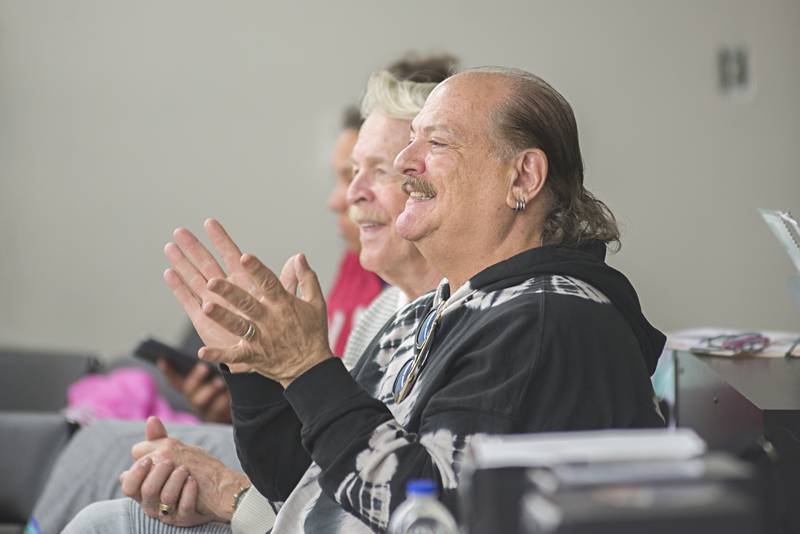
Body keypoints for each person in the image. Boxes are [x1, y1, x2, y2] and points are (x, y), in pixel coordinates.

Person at [67, 66, 663, 533]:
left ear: (523, 178)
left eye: (436, 143)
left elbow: (428, 516)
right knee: (116, 520)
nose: (406, 163)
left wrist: (308, 367)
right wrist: (254, 366)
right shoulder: (439, 310)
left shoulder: (543, 317)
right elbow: (301, 482)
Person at [62, 59, 455, 534]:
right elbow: (309, 473)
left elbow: (362, 497)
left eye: (380, 172)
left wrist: (235, 498)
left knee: (105, 489)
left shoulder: (486, 316)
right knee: (110, 487)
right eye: (351, 172)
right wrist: (249, 372)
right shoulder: (383, 309)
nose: (348, 196)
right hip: (303, 509)